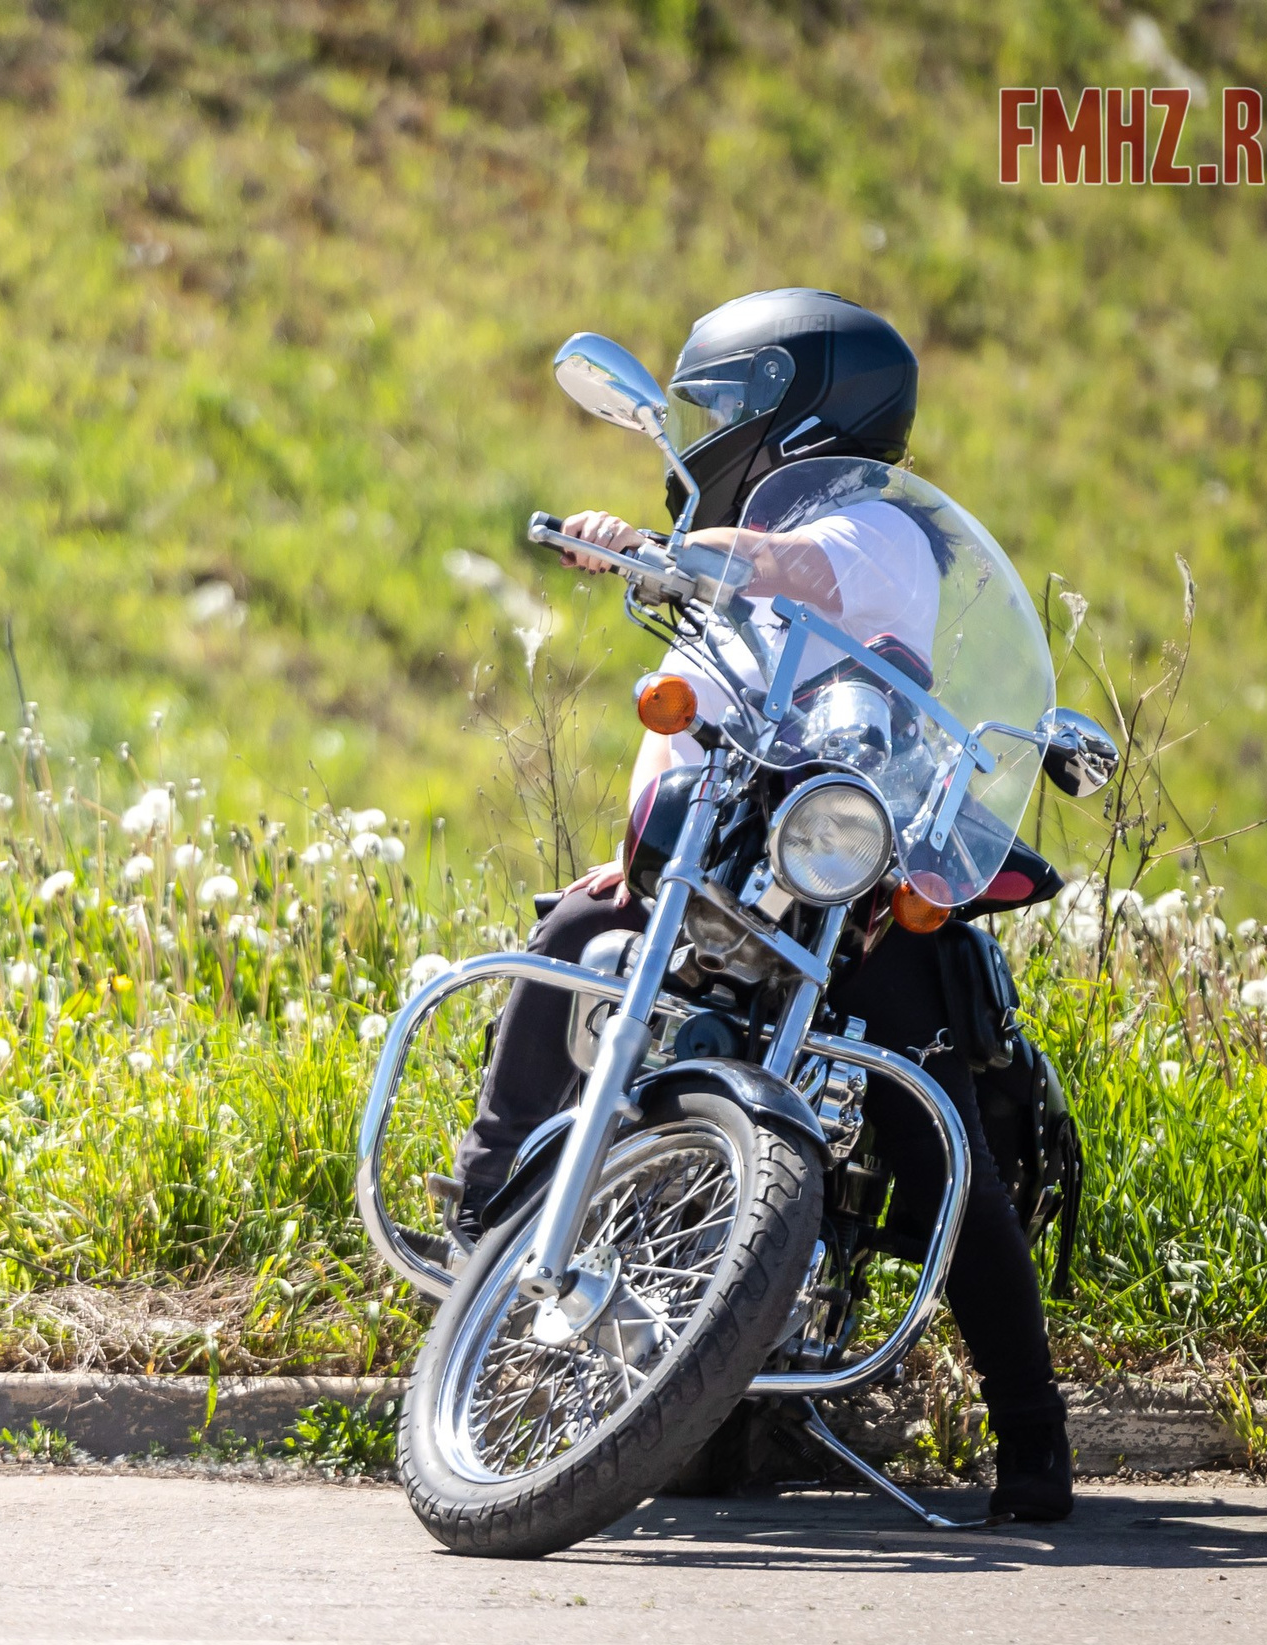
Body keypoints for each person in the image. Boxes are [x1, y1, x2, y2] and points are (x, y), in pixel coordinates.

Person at [456, 290, 1075, 1523]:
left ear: (804, 404)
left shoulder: (872, 529)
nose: (709, 429)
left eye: (729, 402)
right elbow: (696, 711)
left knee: (924, 1107)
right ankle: (481, 1233)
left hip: (842, 871)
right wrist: (639, 858)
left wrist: (682, 548)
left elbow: (801, 571)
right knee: (571, 944)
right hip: (720, 863)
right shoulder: (717, 573)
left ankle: (1033, 1436)